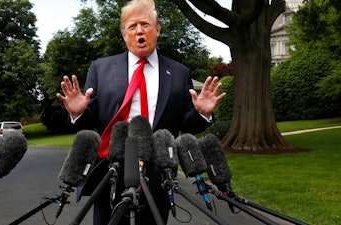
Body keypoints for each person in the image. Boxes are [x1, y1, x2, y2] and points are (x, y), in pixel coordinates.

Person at [56, 0, 226, 224]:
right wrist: (78, 112)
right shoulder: (101, 68)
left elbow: (188, 123)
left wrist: (202, 114)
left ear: (157, 29)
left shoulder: (178, 72)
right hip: (111, 171)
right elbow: (89, 120)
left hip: (159, 174)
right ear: (124, 34)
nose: (139, 31)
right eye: (132, 26)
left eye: (145, 24)